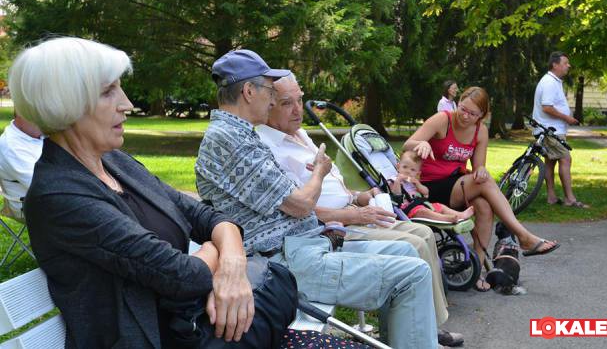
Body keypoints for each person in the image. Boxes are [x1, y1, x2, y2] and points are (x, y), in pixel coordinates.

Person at [11, 37, 356, 349]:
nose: (127, 104)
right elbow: (181, 275)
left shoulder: (115, 162)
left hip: (207, 328)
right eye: (108, 92)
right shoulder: (60, 196)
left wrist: (231, 261)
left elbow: (204, 215)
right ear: (65, 103)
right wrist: (214, 249)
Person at [196, 49, 440, 349]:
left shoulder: (242, 136)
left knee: (407, 254)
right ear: (248, 91)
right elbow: (300, 203)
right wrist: (320, 173)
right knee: (412, 275)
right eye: (270, 92)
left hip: (304, 247)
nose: (271, 100)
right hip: (285, 261)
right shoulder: (229, 140)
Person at [255, 73, 464, 347]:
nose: (297, 109)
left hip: (345, 217)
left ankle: (420, 330)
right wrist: (352, 214)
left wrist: (362, 197)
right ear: (268, 106)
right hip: (329, 231)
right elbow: (301, 208)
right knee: (413, 249)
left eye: (300, 100)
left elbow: (325, 190)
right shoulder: (269, 148)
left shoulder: (299, 134)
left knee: (419, 238)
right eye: (287, 103)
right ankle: (424, 333)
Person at [404, 86, 560, 292]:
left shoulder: (480, 131)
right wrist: (421, 144)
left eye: (472, 113)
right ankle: (523, 236)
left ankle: (476, 268)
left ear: (482, 115)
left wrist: (481, 171)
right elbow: (408, 144)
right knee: (484, 185)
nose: (465, 116)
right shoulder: (443, 120)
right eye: (462, 109)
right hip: (428, 186)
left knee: (484, 205)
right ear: (458, 103)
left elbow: (478, 168)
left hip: (456, 184)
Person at [532, 51, 588, 208]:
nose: (568, 66)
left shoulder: (553, 81)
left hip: (551, 130)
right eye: (565, 63)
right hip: (551, 131)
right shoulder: (549, 82)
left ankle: (551, 197)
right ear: (555, 65)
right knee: (565, 158)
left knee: (550, 163)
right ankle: (570, 199)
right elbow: (547, 107)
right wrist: (567, 118)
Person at [391, 150, 475, 224]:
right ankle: (446, 219)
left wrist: (418, 184)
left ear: (417, 173)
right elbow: (395, 194)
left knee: (440, 206)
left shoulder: (413, 182)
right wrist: (398, 181)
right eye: (405, 167)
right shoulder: (393, 180)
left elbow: (426, 192)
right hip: (408, 210)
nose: (408, 171)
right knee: (423, 211)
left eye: (412, 170)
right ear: (398, 167)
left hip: (421, 204)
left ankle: (461, 215)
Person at [0, 114, 43, 217]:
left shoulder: (37, 135)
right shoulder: (10, 147)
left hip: (57, 198)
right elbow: (44, 186)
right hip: (30, 207)